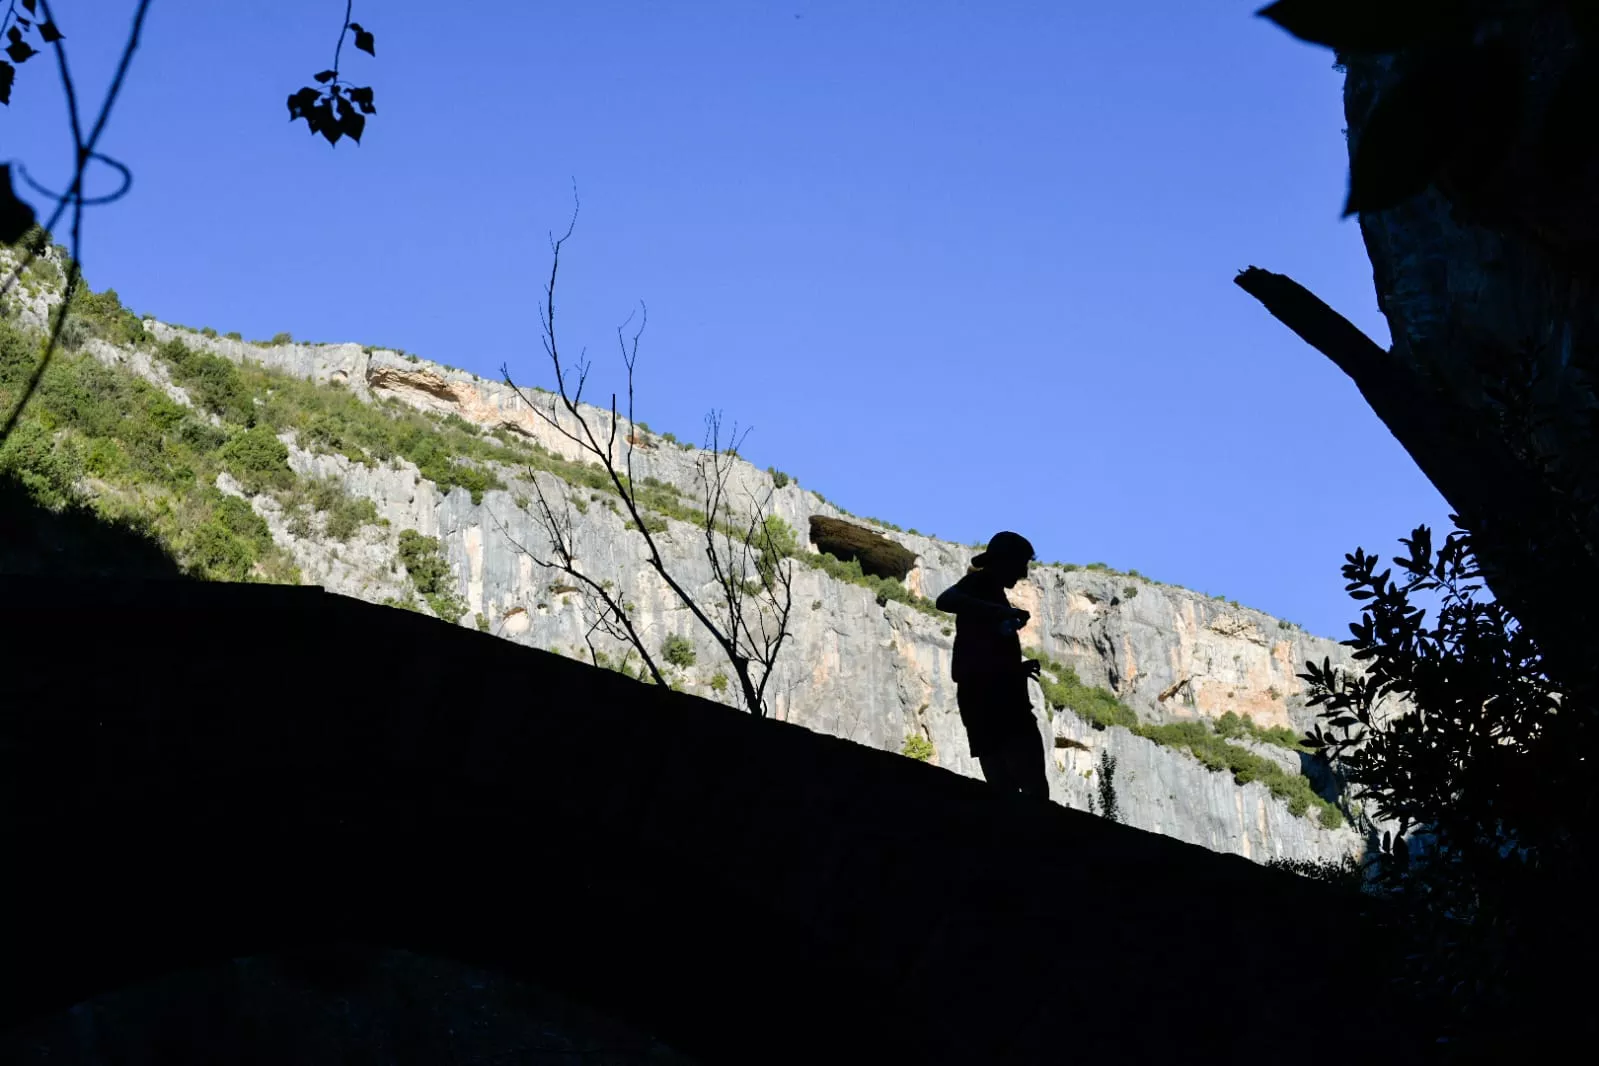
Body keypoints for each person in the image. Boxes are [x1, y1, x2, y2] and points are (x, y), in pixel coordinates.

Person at [935, 531, 1049, 799]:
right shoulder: (979, 582)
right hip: (995, 698)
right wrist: (1001, 613)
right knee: (1031, 783)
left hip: (983, 695)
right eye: (1021, 563)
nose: (1024, 572)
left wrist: (1016, 669)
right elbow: (945, 600)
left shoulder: (989, 590)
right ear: (1005, 561)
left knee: (1005, 785)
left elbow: (986, 648)